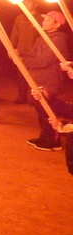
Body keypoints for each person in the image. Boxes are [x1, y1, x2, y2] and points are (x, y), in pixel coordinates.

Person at [22, 11, 68, 151]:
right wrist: (21, 56)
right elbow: (31, 54)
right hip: (37, 78)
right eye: (45, 19)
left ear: (57, 24)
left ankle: (53, 140)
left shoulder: (58, 39)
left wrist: (24, 61)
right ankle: (45, 137)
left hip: (49, 80)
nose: (44, 22)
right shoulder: (42, 37)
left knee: (48, 110)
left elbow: (44, 60)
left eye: (48, 20)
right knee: (40, 110)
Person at [10, 0, 41, 104]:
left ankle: (34, 99)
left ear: (35, 4)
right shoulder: (20, 18)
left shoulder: (41, 18)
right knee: (21, 76)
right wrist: (12, 48)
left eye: (28, 2)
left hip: (35, 53)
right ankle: (21, 97)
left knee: (34, 77)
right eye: (24, 2)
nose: (26, 4)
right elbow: (15, 34)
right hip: (21, 51)